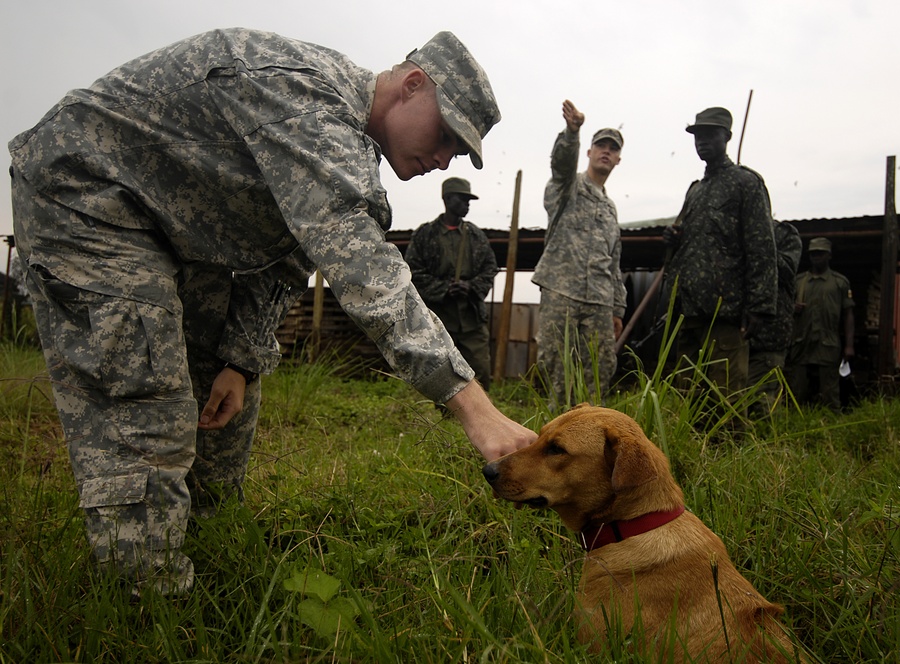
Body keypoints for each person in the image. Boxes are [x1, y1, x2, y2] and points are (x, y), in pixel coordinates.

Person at [8, 28, 535, 596]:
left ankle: (211, 553)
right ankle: (144, 607)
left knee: (224, 392)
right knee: (145, 400)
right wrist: (472, 406)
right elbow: (367, 276)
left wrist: (238, 360)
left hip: (177, 229)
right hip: (85, 196)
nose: (443, 159)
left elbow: (284, 257)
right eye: (447, 137)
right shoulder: (302, 97)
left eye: (456, 154)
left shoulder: (347, 150)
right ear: (412, 86)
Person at [662, 106, 777, 415]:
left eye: (710, 134)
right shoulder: (695, 192)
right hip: (690, 312)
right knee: (690, 398)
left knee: (727, 399)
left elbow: (762, 246)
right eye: (698, 135)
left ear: (726, 137)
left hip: (725, 312)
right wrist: (674, 241)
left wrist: (759, 306)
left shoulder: (746, 183)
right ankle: (693, 458)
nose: (702, 141)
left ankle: (731, 459)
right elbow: (692, 248)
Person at [532, 100, 626, 409]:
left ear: (618, 159)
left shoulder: (610, 208)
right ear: (589, 151)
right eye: (601, 145)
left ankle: (589, 440)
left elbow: (614, 262)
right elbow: (560, 165)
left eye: (613, 148)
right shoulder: (567, 187)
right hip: (563, 291)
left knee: (599, 369)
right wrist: (572, 133)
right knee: (556, 365)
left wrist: (617, 309)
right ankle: (556, 437)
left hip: (599, 301)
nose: (606, 151)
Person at [405, 177, 499, 390]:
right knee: (441, 370)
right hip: (438, 318)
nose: (467, 205)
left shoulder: (476, 236)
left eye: (469, 201)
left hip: (471, 318)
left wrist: (471, 287)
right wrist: (444, 289)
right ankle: (443, 416)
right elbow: (413, 271)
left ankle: (482, 418)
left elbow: (489, 268)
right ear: (447, 199)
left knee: (480, 369)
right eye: (462, 199)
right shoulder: (426, 234)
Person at [786, 237, 856, 410]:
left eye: (820, 253)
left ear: (829, 255)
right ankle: (795, 426)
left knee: (830, 391)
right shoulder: (799, 282)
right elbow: (783, 309)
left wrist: (849, 345)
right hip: (801, 342)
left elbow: (848, 314)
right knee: (797, 390)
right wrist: (792, 308)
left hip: (828, 343)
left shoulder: (839, 282)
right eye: (813, 254)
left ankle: (831, 427)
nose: (816, 257)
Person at [748, 221, 802, 413]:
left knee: (764, 401)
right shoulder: (738, 230)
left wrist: (759, 247)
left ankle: (768, 443)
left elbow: (787, 269)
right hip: (740, 336)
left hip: (770, 335)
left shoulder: (784, 233)